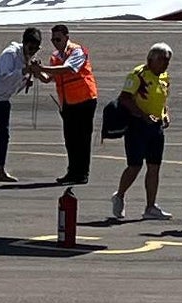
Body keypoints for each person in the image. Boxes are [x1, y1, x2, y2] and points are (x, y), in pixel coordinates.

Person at [105, 41, 174, 222]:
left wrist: (165, 113)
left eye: (168, 61)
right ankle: (119, 195)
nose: (166, 64)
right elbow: (125, 99)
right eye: (163, 60)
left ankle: (150, 207)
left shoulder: (165, 77)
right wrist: (143, 116)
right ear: (151, 59)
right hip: (138, 126)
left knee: (154, 167)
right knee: (135, 166)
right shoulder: (138, 76)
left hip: (156, 127)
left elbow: (163, 98)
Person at [42, 22, 99, 187]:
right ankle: (73, 171)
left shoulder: (76, 51)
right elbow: (48, 78)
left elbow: (68, 69)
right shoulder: (55, 57)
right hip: (67, 102)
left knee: (82, 138)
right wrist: (37, 71)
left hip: (84, 99)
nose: (55, 42)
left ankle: (82, 173)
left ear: (66, 37)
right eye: (53, 40)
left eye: (58, 39)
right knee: (70, 139)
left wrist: (44, 68)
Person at [0, 28, 33, 184]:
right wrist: (24, 71)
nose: (33, 51)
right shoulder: (10, 54)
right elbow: (6, 76)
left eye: (36, 48)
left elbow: (14, 85)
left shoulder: (27, 59)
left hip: (3, 98)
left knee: (4, 133)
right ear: (24, 44)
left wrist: (25, 80)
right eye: (31, 47)